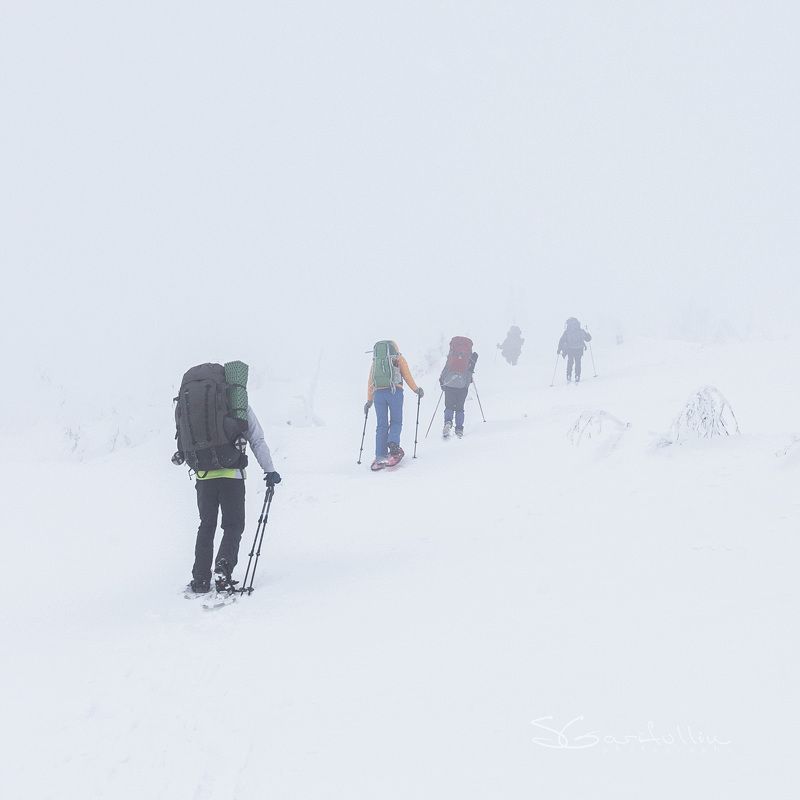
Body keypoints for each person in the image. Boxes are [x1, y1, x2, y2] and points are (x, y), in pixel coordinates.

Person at [173, 363, 281, 593]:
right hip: (232, 474)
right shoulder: (236, 403)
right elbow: (256, 438)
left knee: (206, 525)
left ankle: (200, 578)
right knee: (233, 525)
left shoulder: (192, 403)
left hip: (203, 474)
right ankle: (223, 568)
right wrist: (269, 470)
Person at [364, 340, 423, 470]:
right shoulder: (398, 358)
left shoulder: (376, 361)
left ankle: (380, 455)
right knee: (396, 421)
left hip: (378, 394)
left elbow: (370, 380)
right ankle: (393, 444)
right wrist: (416, 389)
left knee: (381, 425)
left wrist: (369, 400)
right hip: (395, 392)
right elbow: (407, 375)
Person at [438, 337, 479, 438]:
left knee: (449, 406)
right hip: (462, 386)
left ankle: (448, 422)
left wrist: (442, 382)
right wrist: (467, 383)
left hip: (449, 384)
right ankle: (459, 429)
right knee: (460, 408)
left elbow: (446, 368)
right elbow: (469, 373)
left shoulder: (452, 355)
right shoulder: (469, 357)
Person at [557, 318, 592, 383]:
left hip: (570, 349)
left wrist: (559, 349)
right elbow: (588, 339)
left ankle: (569, 375)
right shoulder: (581, 331)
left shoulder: (567, 332)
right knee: (578, 362)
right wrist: (588, 334)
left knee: (570, 362)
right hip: (579, 349)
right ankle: (577, 376)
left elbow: (562, 340)